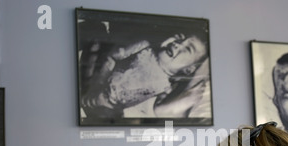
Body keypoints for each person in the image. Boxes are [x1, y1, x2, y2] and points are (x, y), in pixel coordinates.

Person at [79, 27, 210, 123]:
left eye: (187, 48)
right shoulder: (144, 47)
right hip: (93, 88)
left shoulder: (166, 87)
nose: (177, 44)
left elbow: (151, 110)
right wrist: (98, 85)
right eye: (180, 38)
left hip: (109, 113)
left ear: (189, 70)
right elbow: (112, 58)